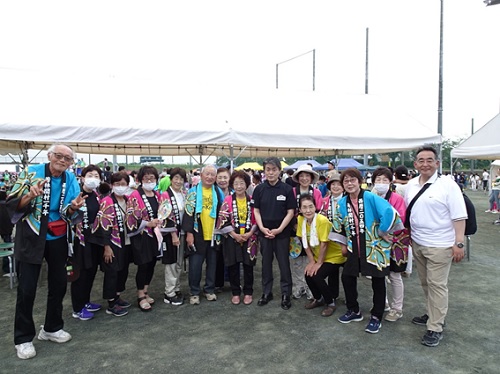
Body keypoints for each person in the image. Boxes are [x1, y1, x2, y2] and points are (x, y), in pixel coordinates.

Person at [7, 144, 85, 360]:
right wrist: (30, 196)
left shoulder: (70, 179)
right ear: (50, 156)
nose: (62, 160)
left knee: (59, 285)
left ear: (71, 163)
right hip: (32, 235)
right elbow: (14, 204)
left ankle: (51, 328)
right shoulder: (31, 173)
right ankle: (23, 339)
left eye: (67, 158)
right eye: (58, 156)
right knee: (27, 289)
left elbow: (71, 209)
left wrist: (74, 208)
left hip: (58, 236)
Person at [405, 146, 467, 347]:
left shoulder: (448, 185)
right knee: (425, 283)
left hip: (441, 245)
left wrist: (459, 242)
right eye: (421, 160)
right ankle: (433, 314)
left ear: (437, 163)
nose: (425, 164)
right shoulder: (411, 184)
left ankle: (435, 327)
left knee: (437, 285)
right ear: (415, 164)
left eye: (429, 160)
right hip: (418, 242)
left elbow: (459, 215)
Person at [331, 168, 403, 334]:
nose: (349, 183)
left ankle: (376, 316)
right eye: (346, 181)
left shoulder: (371, 197)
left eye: (352, 180)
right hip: (353, 247)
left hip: (374, 247)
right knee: (347, 277)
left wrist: (383, 231)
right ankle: (354, 310)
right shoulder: (342, 203)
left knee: (378, 281)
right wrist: (343, 245)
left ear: (360, 181)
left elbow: (390, 212)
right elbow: (337, 224)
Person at [252, 157, 295, 310]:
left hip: (282, 234)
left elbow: (291, 212)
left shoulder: (287, 189)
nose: (270, 173)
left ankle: (286, 294)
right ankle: (266, 292)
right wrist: (262, 228)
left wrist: (280, 229)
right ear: (264, 171)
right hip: (264, 233)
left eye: (274, 169)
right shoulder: (259, 189)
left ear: (279, 171)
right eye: (268, 170)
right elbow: (256, 210)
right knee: (265, 264)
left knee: (284, 264)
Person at [371, 167, 410, 323]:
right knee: (379, 275)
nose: (381, 183)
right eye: (378, 180)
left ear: (390, 181)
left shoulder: (397, 198)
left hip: (394, 241)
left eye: (384, 180)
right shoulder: (370, 198)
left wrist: (384, 229)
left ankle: (397, 308)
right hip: (376, 241)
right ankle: (384, 303)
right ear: (373, 182)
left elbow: (400, 218)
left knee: (394, 275)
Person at [297, 194, 346, 317]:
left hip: (335, 256)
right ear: (300, 209)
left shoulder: (322, 221)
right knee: (308, 274)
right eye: (304, 207)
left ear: (315, 207)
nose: (308, 210)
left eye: (311, 206)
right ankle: (318, 299)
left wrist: (318, 263)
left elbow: (324, 244)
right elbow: (304, 241)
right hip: (319, 256)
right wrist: (311, 261)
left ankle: (330, 303)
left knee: (317, 275)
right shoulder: (300, 220)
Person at [182, 165, 224, 305]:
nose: (210, 177)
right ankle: (194, 292)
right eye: (207, 174)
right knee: (195, 265)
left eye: (213, 174)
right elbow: (188, 214)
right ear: (201, 175)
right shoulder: (193, 192)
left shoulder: (218, 192)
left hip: (213, 234)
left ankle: (209, 289)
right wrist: (189, 233)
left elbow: (222, 213)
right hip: (197, 234)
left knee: (212, 265)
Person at [215, 170, 258, 305]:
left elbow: (257, 218)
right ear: (232, 185)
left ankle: (248, 292)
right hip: (231, 237)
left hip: (249, 237)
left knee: (248, 266)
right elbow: (222, 219)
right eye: (236, 183)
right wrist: (234, 234)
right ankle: (235, 292)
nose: (239, 186)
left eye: (242, 183)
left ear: (247, 184)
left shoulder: (252, 201)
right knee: (233, 265)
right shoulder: (227, 200)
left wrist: (250, 233)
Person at [70, 165, 105, 321]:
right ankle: (77, 308)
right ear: (82, 178)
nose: (93, 178)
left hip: (95, 239)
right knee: (81, 274)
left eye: (96, 176)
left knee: (91, 271)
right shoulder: (76, 195)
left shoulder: (97, 196)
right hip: (81, 240)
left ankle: (86, 301)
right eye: (90, 175)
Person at [126, 166, 164, 312]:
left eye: (152, 178)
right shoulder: (135, 195)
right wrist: (147, 223)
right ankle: (140, 294)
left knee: (152, 264)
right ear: (140, 179)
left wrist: (161, 221)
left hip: (155, 235)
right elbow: (130, 218)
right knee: (143, 264)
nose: (149, 180)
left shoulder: (157, 195)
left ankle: (146, 290)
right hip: (142, 236)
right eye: (146, 178)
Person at [96, 171, 132, 317]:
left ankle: (117, 296)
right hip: (112, 242)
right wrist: (106, 246)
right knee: (112, 272)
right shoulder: (107, 201)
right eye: (117, 184)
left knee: (123, 270)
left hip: (126, 241)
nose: (120, 187)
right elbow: (103, 225)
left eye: (123, 184)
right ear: (111, 185)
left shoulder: (128, 200)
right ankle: (111, 303)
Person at [290, 164, 323, 300]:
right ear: (298, 178)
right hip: (294, 231)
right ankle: (298, 286)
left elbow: (319, 210)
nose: (304, 178)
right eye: (301, 176)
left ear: (311, 178)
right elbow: (289, 211)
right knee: (296, 260)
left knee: (312, 259)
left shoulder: (316, 192)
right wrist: (295, 225)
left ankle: (311, 288)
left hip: (312, 231)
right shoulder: (291, 191)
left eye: (307, 176)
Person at [160, 167, 187, 306]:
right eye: (176, 178)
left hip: (181, 233)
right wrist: (173, 234)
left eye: (181, 179)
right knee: (171, 263)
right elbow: (165, 216)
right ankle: (169, 293)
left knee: (179, 262)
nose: (178, 181)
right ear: (171, 180)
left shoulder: (183, 194)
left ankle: (176, 288)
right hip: (171, 235)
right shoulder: (165, 195)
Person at [214, 167, 232, 292]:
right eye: (219, 177)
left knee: (231, 256)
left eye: (225, 177)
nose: (222, 180)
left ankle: (232, 281)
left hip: (231, 230)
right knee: (217, 256)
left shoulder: (234, 193)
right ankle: (217, 283)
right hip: (215, 231)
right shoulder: (212, 193)